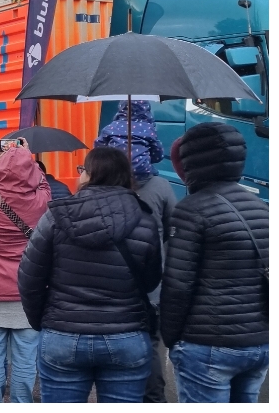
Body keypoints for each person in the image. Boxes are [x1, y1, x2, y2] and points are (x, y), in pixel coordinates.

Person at [18, 146, 161, 402]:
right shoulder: (144, 220)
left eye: (82, 169)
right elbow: (151, 280)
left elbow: (29, 277)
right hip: (126, 333)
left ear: (90, 174)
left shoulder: (56, 217)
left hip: (63, 333)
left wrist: (44, 320)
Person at [160, 123, 269, 403]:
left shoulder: (191, 210)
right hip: (258, 342)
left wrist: (171, 338)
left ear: (192, 161)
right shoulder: (262, 208)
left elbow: (178, 284)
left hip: (207, 343)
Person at [95, 100, 175, 401]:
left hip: (110, 282)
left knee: (112, 342)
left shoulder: (99, 188)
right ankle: (154, 398)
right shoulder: (161, 187)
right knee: (151, 342)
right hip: (150, 281)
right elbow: (171, 232)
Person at [0, 140, 51, 402]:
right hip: (28, 298)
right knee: (26, 360)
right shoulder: (40, 202)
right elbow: (43, 183)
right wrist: (28, 157)